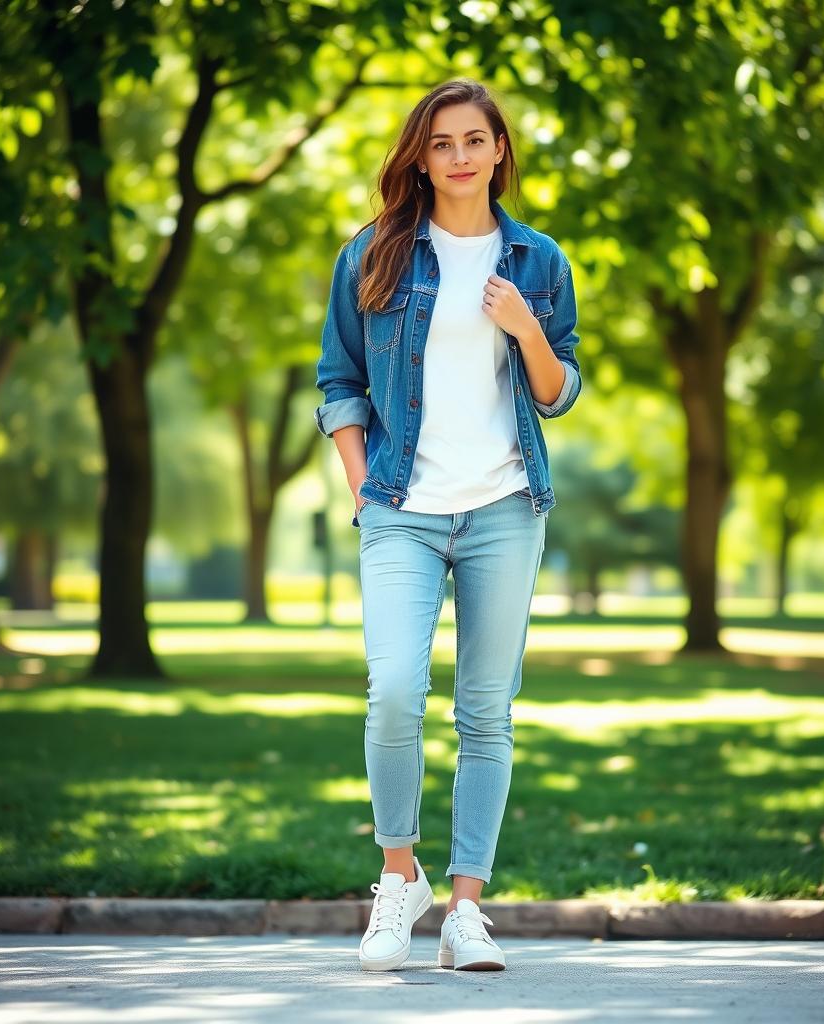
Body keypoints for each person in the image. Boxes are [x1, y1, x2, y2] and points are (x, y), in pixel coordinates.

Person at [313, 77, 583, 973]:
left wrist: (524, 327)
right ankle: (400, 879)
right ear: (419, 157)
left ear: (499, 149)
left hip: (506, 508)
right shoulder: (375, 255)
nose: (460, 156)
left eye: (475, 139)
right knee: (393, 691)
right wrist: (361, 488)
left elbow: (557, 391)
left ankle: (468, 908)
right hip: (401, 511)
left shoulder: (539, 262)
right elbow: (338, 382)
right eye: (441, 143)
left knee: (485, 714)